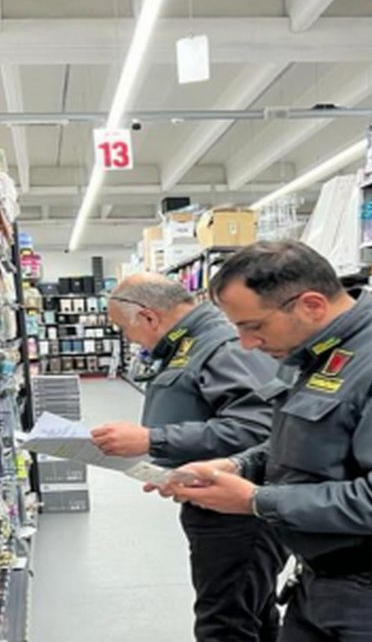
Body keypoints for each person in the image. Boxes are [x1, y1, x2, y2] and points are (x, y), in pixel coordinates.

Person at [159, 241, 372, 642]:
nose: (245, 343)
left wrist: (255, 501)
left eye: (253, 326)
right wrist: (238, 465)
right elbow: (307, 439)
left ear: (311, 305)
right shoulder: (319, 354)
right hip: (324, 581)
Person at [90, 273, 287, 642]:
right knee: (250, 611)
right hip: (215, 498)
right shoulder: (193, 343)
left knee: (226, 622)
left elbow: (261, 429)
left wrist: (154, 438)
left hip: (240, 510)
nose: (128, 339)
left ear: (148, 317)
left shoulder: (223, 346)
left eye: (124, 328)